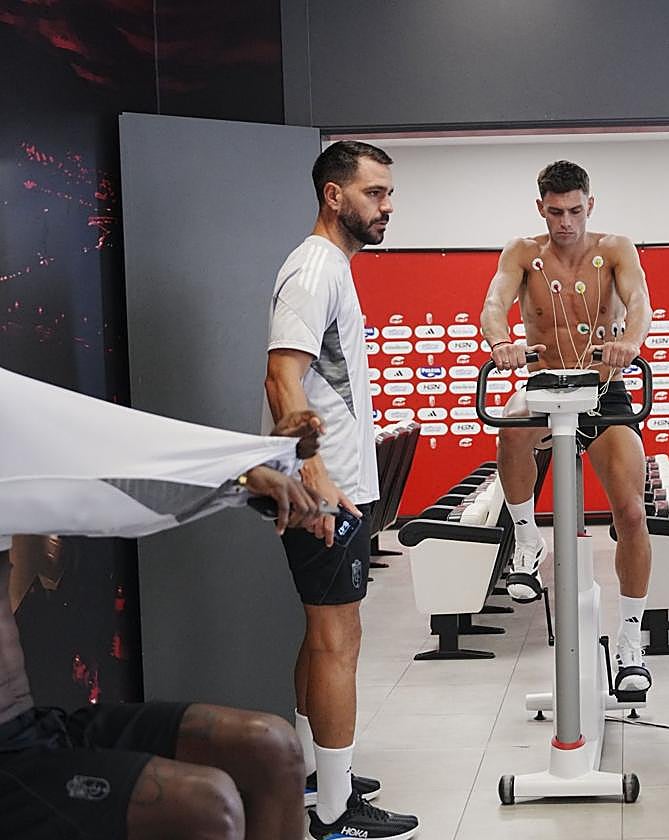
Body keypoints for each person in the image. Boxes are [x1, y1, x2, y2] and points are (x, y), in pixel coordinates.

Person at [0, 368, 331, 840]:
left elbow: (93, 459)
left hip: (31, 731)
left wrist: (251, 464)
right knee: (207, 806)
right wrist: (241, 466)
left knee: (272, 746)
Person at [263, 140, 417, 840]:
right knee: (338, 640)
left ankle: (312, 774)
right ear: (334, 195)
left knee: (323, 633)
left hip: (332, 485)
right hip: (321, 491)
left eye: (388, 193)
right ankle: (333, 814)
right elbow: (281, 377)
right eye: (374, 193)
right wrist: (315, 471)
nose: (387, 206)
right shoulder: (314, 268)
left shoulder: (332, 267)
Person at [480, 160, 654, 693]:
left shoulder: (617, 249)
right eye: (555, 212)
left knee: (631, 513)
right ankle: (527, 540)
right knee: (512, 427)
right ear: (541, 208)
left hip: (602, 389)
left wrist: (630, 342)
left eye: (575, 211)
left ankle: (631, 640)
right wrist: (500, 341)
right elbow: (493, 304)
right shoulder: (522, 253)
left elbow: (640, 303)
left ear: (590, 205)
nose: (566, 222)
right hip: (544, 387)